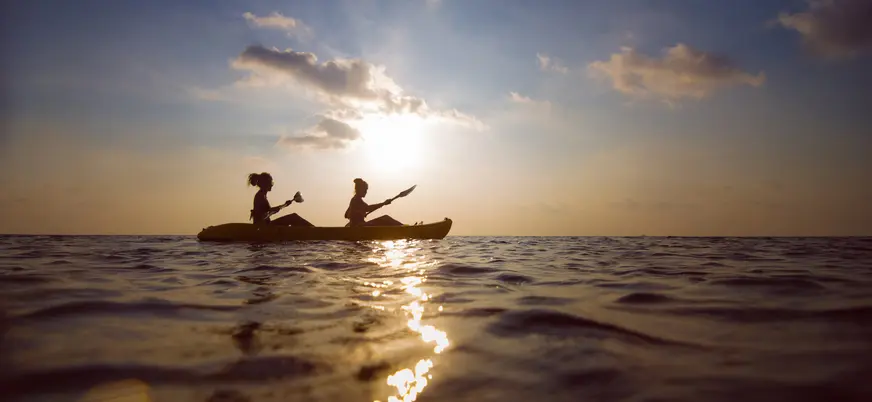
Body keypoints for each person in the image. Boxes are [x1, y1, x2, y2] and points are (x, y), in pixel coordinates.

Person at [247, 172, 314, 226]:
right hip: (263, 227)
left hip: (265, 226)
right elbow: (270, 212)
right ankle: (315, 231)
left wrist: (285, 205)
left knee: (293, 217)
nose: (271, 185)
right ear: (265, 183)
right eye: (270, 182)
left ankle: (312, 230)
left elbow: (269, 211)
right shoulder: (260, 196)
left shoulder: (262, 195)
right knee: (293, 217)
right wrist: (284, 205)